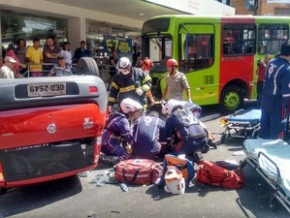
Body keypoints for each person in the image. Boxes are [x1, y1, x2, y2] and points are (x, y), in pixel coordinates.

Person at [258, 42, 290, 139]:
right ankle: (274, 149)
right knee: (277, 130)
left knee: (264, 127)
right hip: (277, 103)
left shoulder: (272, 62)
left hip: (265, 99)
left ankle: (261, 148)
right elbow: (287, 94)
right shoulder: (286, 69)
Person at [101, 98, 143, 162]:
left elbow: (126, 141)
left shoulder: (119, 116)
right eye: (136, 113)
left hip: (106, 142)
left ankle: (108, 156)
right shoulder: (123, 121)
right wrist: (140, 148)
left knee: (128, 153)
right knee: (127, 157)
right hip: (108, 143)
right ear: (129, 111)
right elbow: (129, 139)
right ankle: (106, 158)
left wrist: (130, 150)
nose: (137, 115)